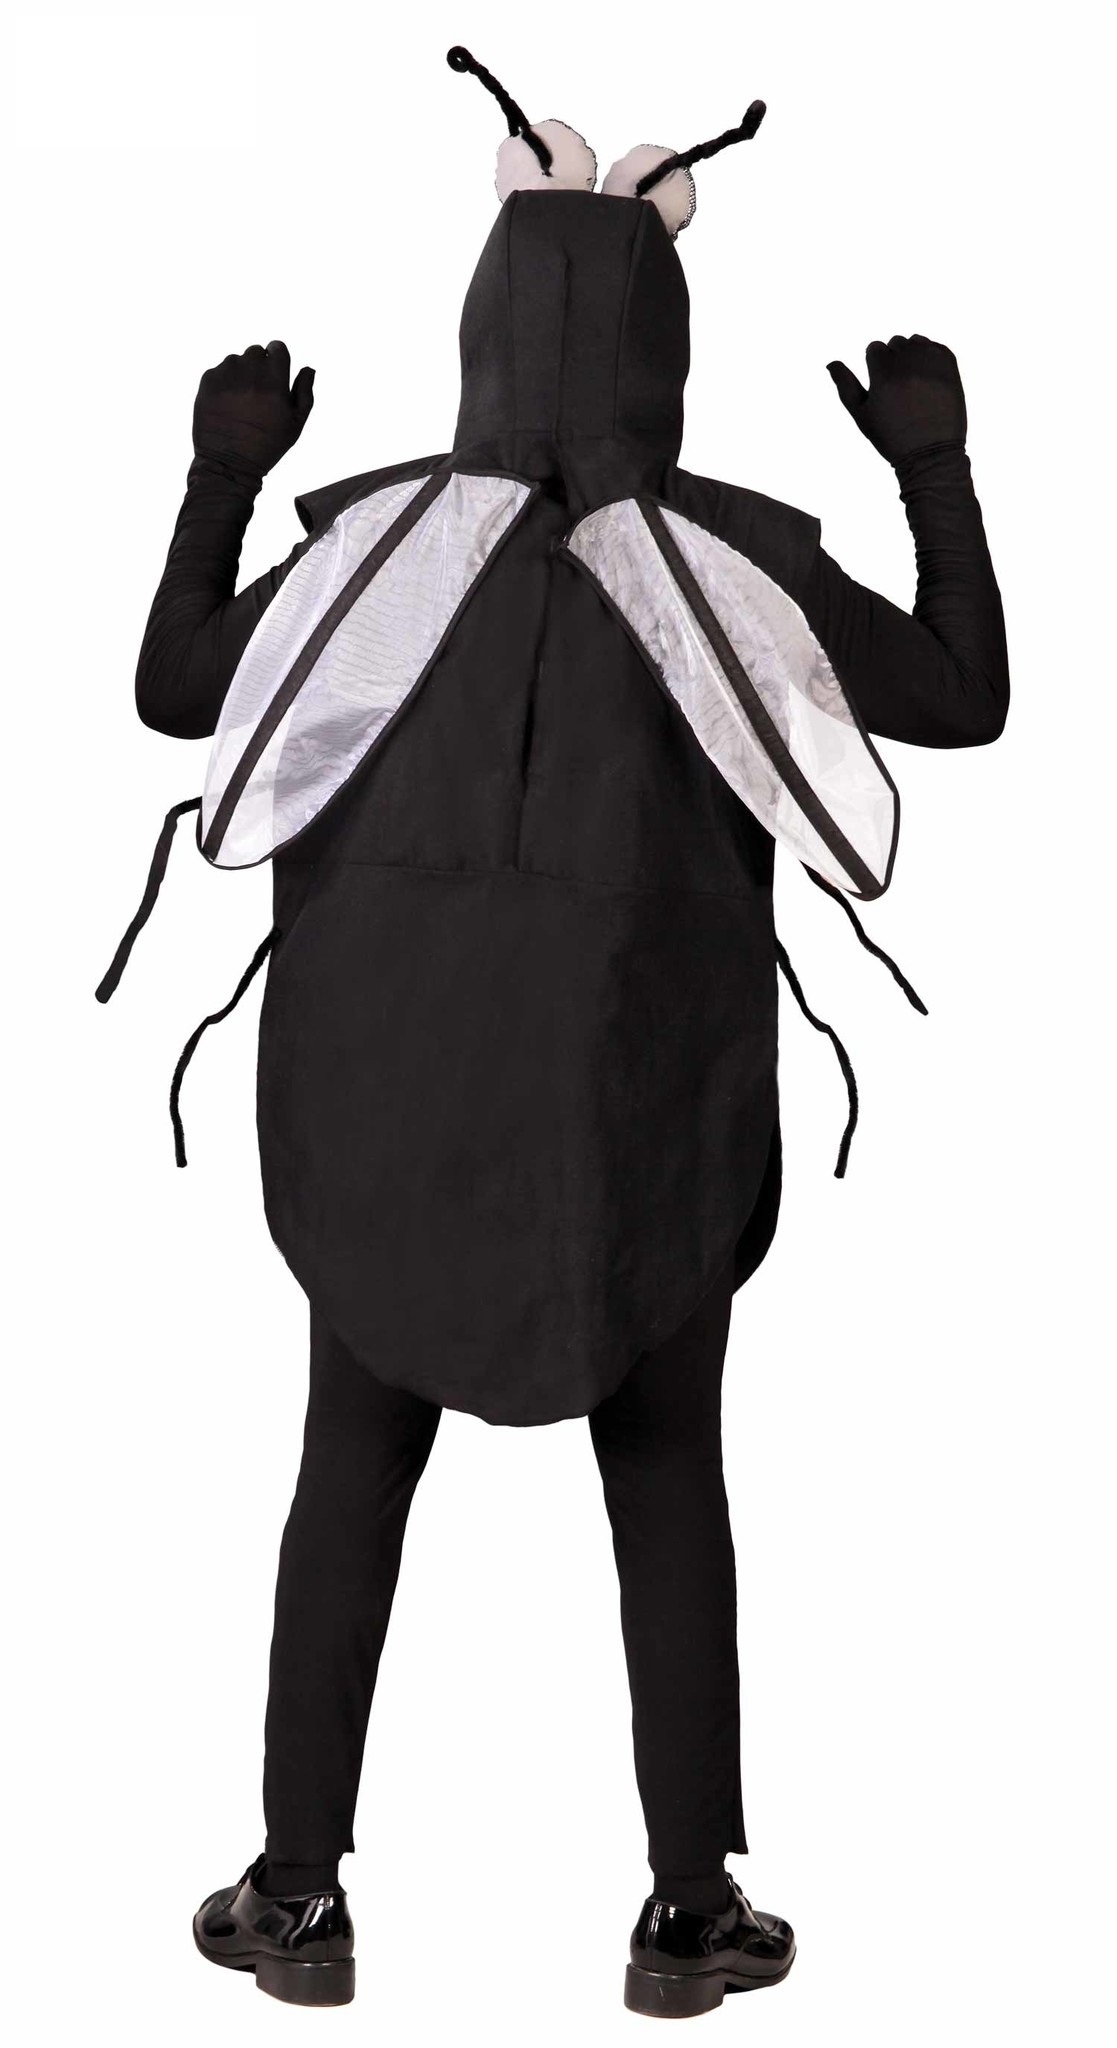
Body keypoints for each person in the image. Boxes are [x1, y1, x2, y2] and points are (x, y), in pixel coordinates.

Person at [121, 52, 1008, 2016]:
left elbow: (179, 688)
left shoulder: (361, 546)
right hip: (644, 1120)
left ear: (480, 309)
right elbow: (961, 697)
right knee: (667, 1476)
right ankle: (691, 1911)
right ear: (665, 332)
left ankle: (295, 1897)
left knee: (348, 1473)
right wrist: (932, 471)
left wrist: (222, 474)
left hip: (383, 1114)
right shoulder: (739, 565)